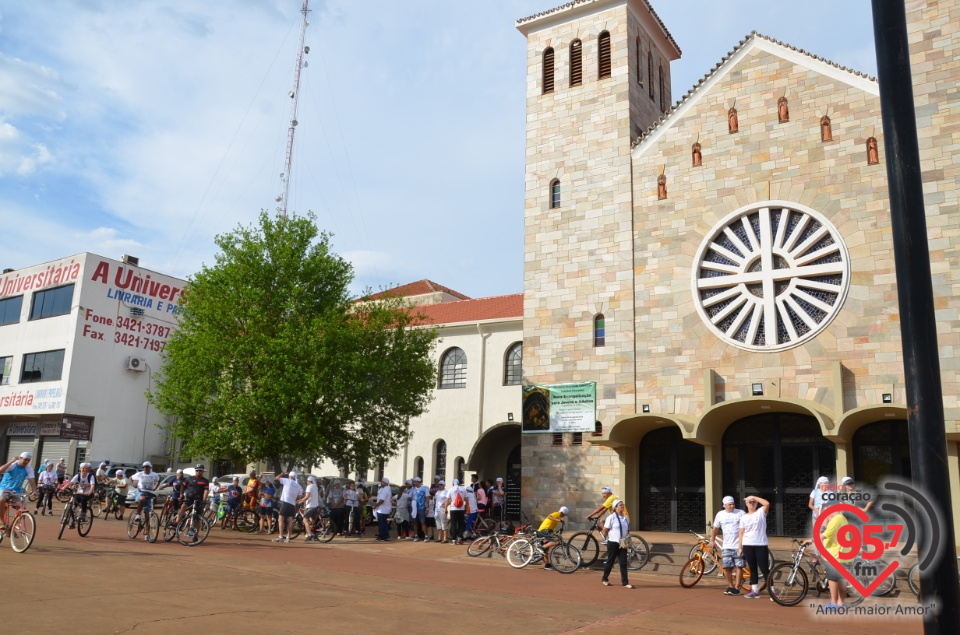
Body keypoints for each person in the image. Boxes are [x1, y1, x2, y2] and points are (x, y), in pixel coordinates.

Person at [803, 504, 851, 609]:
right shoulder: (841, 518)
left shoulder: (836, 520)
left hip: (834, 554)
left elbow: (826, 534)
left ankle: (833, 603)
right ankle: (840, 603)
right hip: (842, 553)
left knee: (832, 579)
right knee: (841, 579)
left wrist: (810, 540)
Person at [709, 495, 746, 595]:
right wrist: (712, 540)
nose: (732, 506)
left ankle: (737, 588)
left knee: (739, 566)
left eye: (733, 504)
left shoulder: (741, 513)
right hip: (726, 546)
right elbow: (716, 528)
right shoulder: (720, 514)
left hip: (739, 545)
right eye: (729, 504)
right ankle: (731, 586)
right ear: (724, 505)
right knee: (726, 567)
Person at [738, 495, 772, 599]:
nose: (752, 503)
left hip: (760, 544)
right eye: (750, 502)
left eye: (753, 502)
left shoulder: (761, 512)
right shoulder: (743, 517)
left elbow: (767, 504)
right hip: (748, 545)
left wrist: (754, 497)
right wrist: (740, 547)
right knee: (752, 569)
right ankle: (755, 590)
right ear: (746, 504)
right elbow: (741, 533)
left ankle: (772, 591)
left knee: (764, 569)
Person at [600, 499, 634, 588]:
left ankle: (625, 582)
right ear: (615, 507)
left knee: (623, 562)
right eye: (620, 505)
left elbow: (627, 529)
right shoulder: (611, 517)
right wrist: (610, 537)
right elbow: (605, 530)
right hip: (613, 543)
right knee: (610, 561)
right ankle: (605, 578)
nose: (622, 507)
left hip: (622, 543)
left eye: (623, 505)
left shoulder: (625, 517)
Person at [0, 452, 37, 527]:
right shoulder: (13, 465)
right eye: (25, 459)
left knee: (22, 508)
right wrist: (11, 461)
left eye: (28, 460)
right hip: (5, 488)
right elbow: (1, 471)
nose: (26, 462)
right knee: (1, 501)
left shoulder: (28, 468)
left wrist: (35, 490)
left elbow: (31, 479)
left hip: (17, 491)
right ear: (20, 458)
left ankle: (14, 526)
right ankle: (2, 522)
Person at [131, 461, 162, 539]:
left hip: (149, 493)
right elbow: (130, 478)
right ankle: (138, 514)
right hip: (141, 492)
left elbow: (158, 480)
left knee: (147, 514)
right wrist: (133, 484)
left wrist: (155, 487)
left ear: (150, 467)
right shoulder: (140, 474)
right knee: (142, 498)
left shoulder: (154, 474)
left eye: (147, 467)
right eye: (144, 467)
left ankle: (147, 533)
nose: (145, 468)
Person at [274, 470, 303, 543]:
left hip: (286, 502)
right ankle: (288, 537)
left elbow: (277, 478)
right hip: (292, 504)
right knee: (290, 521)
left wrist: (283, 473)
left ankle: (280, 536)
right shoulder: (299, 486)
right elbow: (299, 497)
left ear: (290, 476)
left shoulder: (287, 481)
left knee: (280, 519)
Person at [537, 506, 569, 570]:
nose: (564, 516)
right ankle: (541, 548)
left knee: (546, 549)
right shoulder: (557, 514)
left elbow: (551, 525)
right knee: (557, 541)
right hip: (544, 530)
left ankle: (547, 565)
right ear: (563, 512)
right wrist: (559, 520)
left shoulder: (558, 516)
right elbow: (549, 517)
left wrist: (556, 532)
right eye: (565, 514)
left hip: (545, 531)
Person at [68, 462, 97, 527]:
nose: (84, 469)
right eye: (82, 468)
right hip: (79, 493)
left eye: (85, 468)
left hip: (88, 493)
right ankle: (73, 521)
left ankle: (83, 513)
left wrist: (90, 491)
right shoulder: (77, 476)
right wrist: (63, 488)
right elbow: (71, 482)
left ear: (87, 469)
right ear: (80, 469)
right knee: (72, 507)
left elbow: (93, 485)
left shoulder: (90, 476)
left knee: (83, 498)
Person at [446, 479, 467, 545]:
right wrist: (466, 508)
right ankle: (460, 538)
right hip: (461, 509)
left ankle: (453, 540)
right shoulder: (463, 489)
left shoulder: (451, 489)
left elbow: (447, 500)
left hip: (453, 509)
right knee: (461, 524)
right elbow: (466, 500)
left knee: (453, 524)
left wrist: (445, 508)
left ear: (453, 484)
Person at [300, 475, 321, 541]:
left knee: (305, 519)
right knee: (313, 520)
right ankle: (315, 534)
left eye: (307, 481)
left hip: (310, 506)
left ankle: (309, 535)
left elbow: (307, 496)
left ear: (309, 481)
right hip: (315, 506)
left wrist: (301, 500)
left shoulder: (309, 487)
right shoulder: (315, 487)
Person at [374, 477, 393, 542]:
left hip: (382, 509)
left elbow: (382, 500)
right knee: (384, 523)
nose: (381, 483)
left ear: (385, 483)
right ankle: (386, 536)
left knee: (381, 523)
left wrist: (376, 505)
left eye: (382, 482)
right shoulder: (387, 489)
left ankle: (382, 536)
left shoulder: (385, 490)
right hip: (384, 509)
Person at [411, 476, 427, 541]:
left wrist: (427, 508)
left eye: (415, 482)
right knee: (415, 522)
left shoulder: (425, 489)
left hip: (422, 508)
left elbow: (427, 498)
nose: (414, 483)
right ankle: (416, 535)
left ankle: (426, 535)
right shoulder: (413, 489)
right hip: (414, 508)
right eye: (413, 482)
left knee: (422, 522)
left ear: (419, 482)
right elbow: (410, 497)